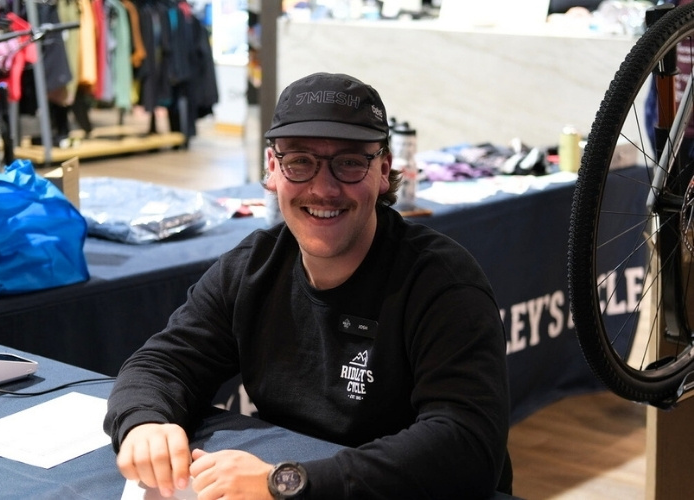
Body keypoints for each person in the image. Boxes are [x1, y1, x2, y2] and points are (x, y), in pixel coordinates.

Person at [103, 72, 512, 499]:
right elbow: (163, 363)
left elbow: (467, 446)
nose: (323, 188)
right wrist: (144, 421)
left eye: (349, 162)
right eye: (299, 162)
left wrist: (286, 482)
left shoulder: (443, 283)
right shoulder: (252, 267)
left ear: (383, 170)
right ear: (272, 169)